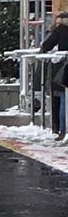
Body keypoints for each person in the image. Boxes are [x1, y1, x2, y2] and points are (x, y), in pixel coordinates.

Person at [38, 11, 68, 140]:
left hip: (64, 67)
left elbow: (46, 45)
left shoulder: (60, 30)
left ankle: (62, 129)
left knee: (63, 98)